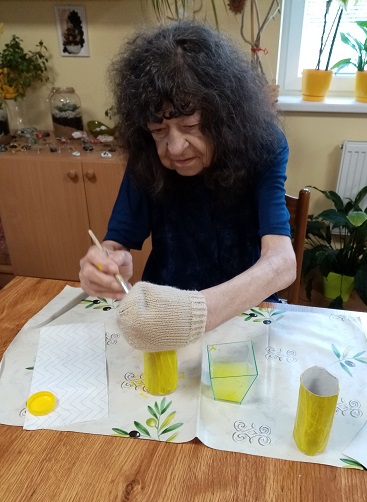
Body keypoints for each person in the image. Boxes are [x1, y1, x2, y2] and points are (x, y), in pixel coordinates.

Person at [79, 20, 296, 351]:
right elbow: (116, 245)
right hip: (162, 318)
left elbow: (281, 263)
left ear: (223, 114)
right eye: (158, 130)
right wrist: (104, 263)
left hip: (248, 312)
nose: (175, 147)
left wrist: (195, 314)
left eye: (191, 125)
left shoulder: (263, 145)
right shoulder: (146, 155)